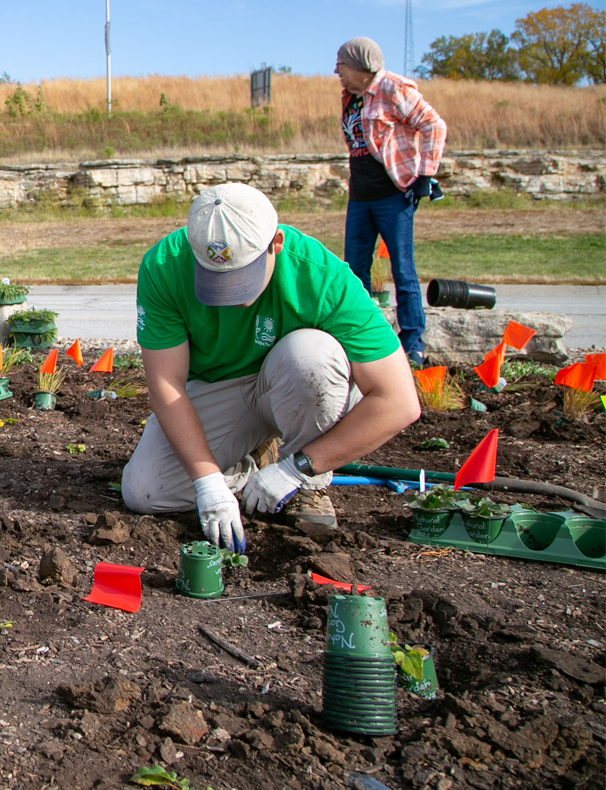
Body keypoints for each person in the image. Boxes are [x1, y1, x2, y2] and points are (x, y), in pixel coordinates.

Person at [121, 183, 420, 549]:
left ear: (275, 243)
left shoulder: (321, 275)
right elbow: (167, 383)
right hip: (220, 389)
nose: (229, 298)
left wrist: (301, 466)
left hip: (292, 381)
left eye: (240, 279)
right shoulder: (165, 266)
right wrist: (208, 484)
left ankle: (307, 484)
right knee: (145, 492)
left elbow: (398, 401)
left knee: (311, 356)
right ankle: (252, 463)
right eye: (216, 282)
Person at [335, 37, 447, 366]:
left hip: (392, 195)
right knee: (354, 271)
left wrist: (425, 173)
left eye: (340, 65)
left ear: (359, 65)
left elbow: (433, 125)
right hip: (360, 196)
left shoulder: (392, 88)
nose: (336, 72)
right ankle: (360, 338)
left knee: (402, 270)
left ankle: (413, 343)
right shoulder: (349, 96)